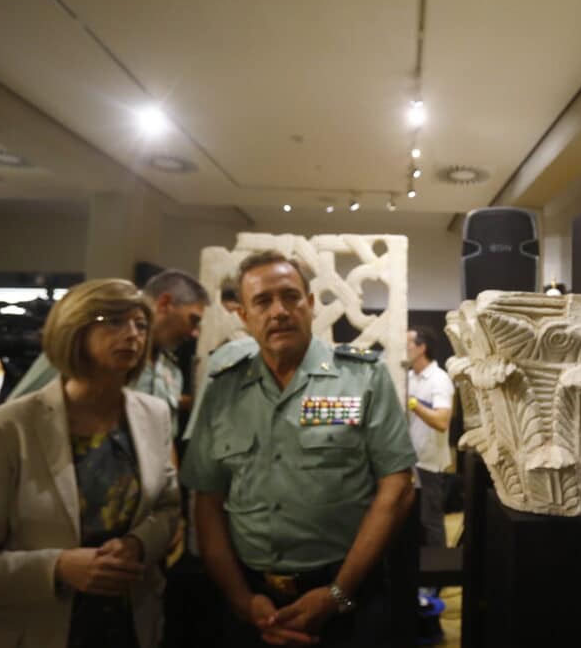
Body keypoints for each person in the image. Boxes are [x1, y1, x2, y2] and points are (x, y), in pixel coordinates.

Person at [181, 250, 416, 647]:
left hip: (346, 592)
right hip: (251, 596)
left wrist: (338, 593)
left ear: (310, 304)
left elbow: (397, 486)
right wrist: (240, 599)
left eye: (291, 297)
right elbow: (207, 499)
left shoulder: (363, 376)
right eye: (262, 301)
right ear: (243, 315)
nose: (279, 311)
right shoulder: (223, 385)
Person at [0, 279, 181, 648]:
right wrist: (58, 567)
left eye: (140, 324)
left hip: (127, 624)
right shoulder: (6, 428)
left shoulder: (152, 414)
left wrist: (137, 543)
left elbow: (167, 506)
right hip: (33, 628)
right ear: (74, 329)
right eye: (112, 322)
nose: (132, 334)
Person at [7, 269, 209, 439]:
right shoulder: (80, 354)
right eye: (192, 319)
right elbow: (17, 417)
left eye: (140, 326)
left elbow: (164, 445)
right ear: (165, 303)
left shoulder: (170, 371)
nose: (194, 332)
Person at [405, 326, 454, 551]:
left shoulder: (440, 379)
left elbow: (442, 421)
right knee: (411, 523)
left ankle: (437, 581)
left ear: (421, 348)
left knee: (431, 521)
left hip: (429, 464)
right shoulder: (407, 377)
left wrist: (413, 403)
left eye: (407, 344)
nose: (403, 349)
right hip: (408, 461)